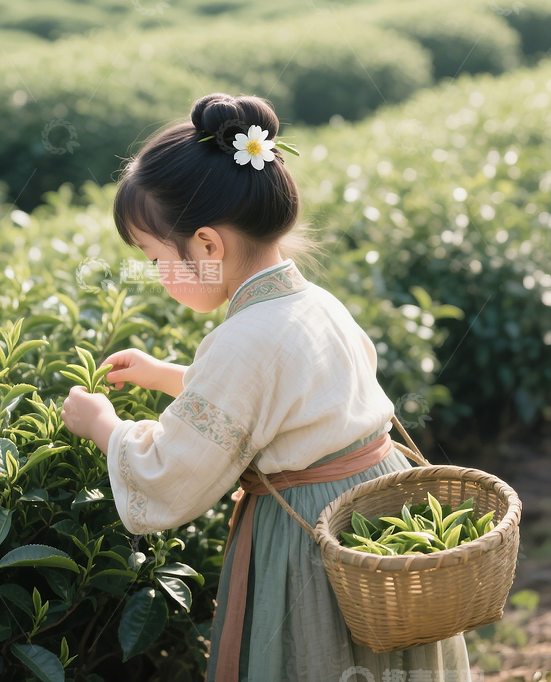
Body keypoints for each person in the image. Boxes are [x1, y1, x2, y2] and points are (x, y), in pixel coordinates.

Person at [60, 92, 474, 682]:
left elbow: (172, 473)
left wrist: (102, 424)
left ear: (206, 244)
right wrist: (165, 375)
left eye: (155, 258)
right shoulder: (313, 303)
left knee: (317, 655)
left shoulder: (242, 340)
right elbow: (289, 404)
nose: (155, 276)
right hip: (379, 510)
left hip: (312, 533)